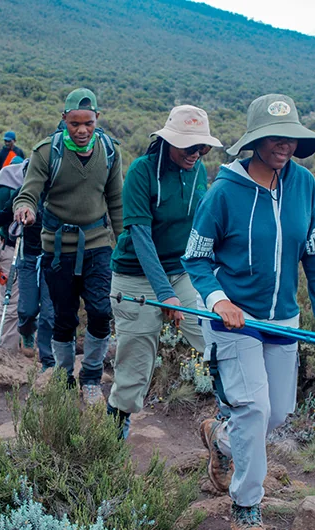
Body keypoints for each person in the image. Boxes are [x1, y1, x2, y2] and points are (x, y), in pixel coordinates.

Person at [182, 94, 315, 529]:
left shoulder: (305, 186)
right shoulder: (223, 192)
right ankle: (246, 507)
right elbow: (195, 258)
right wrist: (219, 301)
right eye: (275, 136)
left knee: (276, 413)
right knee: (253, 408)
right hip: (232, 317)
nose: (285, 144)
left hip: (283, 319)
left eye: (291, 136)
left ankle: (220, 438)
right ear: (255, 140)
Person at [107, 105, 222, 438]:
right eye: (188, 146)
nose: (196, 153)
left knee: (216, 339)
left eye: (202, 147)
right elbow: (141, 237)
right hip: (135, 275)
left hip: (180, 270)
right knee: (135, 364)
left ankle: (228, 423)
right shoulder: (142, 172)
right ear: (169, 141)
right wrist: (165, 295)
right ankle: (114, 430)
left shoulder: (199, 171)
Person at [13, 88, 123, 405]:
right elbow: (28, 191)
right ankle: (63, 374)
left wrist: (124, 244)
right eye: (74, 123)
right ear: (64, 120)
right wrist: (26, 209)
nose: (82, 130)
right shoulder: (47, 152)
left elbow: (116, 202)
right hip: (58, 248)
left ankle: (90, 377)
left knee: (102, 312)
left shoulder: (109, 151)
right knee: (64, 317)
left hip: (97, 245)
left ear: (97, 119)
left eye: (88, 123)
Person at [0, 157, 55, 369]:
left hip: (51, 256)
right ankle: (7, 356)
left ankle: (48, 363)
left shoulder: (59, 193)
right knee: (20, 309)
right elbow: (0, 219)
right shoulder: (19, 192)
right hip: (25, 254)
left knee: (50, 311)